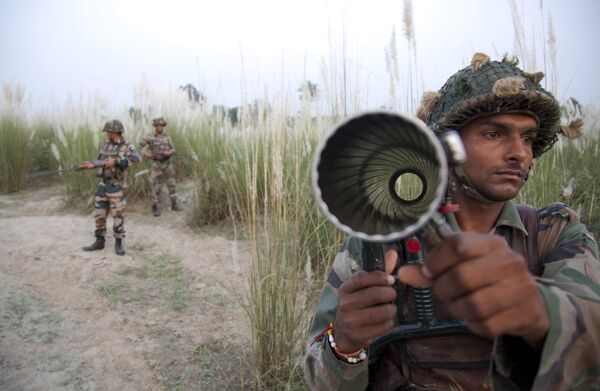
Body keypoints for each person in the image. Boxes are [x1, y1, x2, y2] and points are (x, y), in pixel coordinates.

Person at [304, 53, 600, 390]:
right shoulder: (379, 244)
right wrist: (345, 344)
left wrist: (534, 310)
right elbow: (318, 379)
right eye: (494, 134)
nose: (519, 152)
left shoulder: (556, 235)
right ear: (445, 146)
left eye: (528, 138)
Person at [83, 119, 139, 256]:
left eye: (108, 131)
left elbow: (136, 159)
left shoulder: (127, 146)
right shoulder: (106, 146)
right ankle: (99, 241)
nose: (106, 134)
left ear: (114, 132)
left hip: (117, 186)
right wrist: (92, 164)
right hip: (103, 185)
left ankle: (118, 243)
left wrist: (117, 161)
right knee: (99, 213)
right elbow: (103, 162)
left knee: (118, 215)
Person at [139, 117, 182, 216]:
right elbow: (140, 146)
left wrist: (169, 152)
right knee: (156, 186)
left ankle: (174, 204)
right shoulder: (150, 137)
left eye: (162, 125)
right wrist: (147, 154)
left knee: (172, 185)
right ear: (155, 126)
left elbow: (173, 149)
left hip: (168, 163)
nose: (161, 127)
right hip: (156, 164)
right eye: (159, 125)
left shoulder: (167, 136)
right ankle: (155, 207)